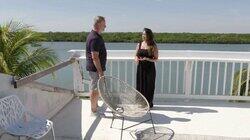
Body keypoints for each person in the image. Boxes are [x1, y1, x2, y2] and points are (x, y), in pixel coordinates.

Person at [86, 16, 107, 114]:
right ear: (98, 24)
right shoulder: (95, 38)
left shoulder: (94, 35)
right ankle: (93, 111)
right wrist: (100, 72)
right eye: (104, 24)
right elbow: (95, 57)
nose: (105, 26)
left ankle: (95, 106)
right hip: (95, 70)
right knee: (95, 89)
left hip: (95, 69)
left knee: (96, 88)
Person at [135, 28, 158, 108]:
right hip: (140, 68)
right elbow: (136, 55)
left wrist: (147, 59)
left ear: (149, 35)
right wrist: (136, 59)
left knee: (149, 86)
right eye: (142, 34)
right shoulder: (139, 44)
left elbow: (156, 59)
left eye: (145, 34)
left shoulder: (153, 45)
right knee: (140, 85)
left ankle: (148, 103)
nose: (143, 36)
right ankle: (140, 103)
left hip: (150, 69)